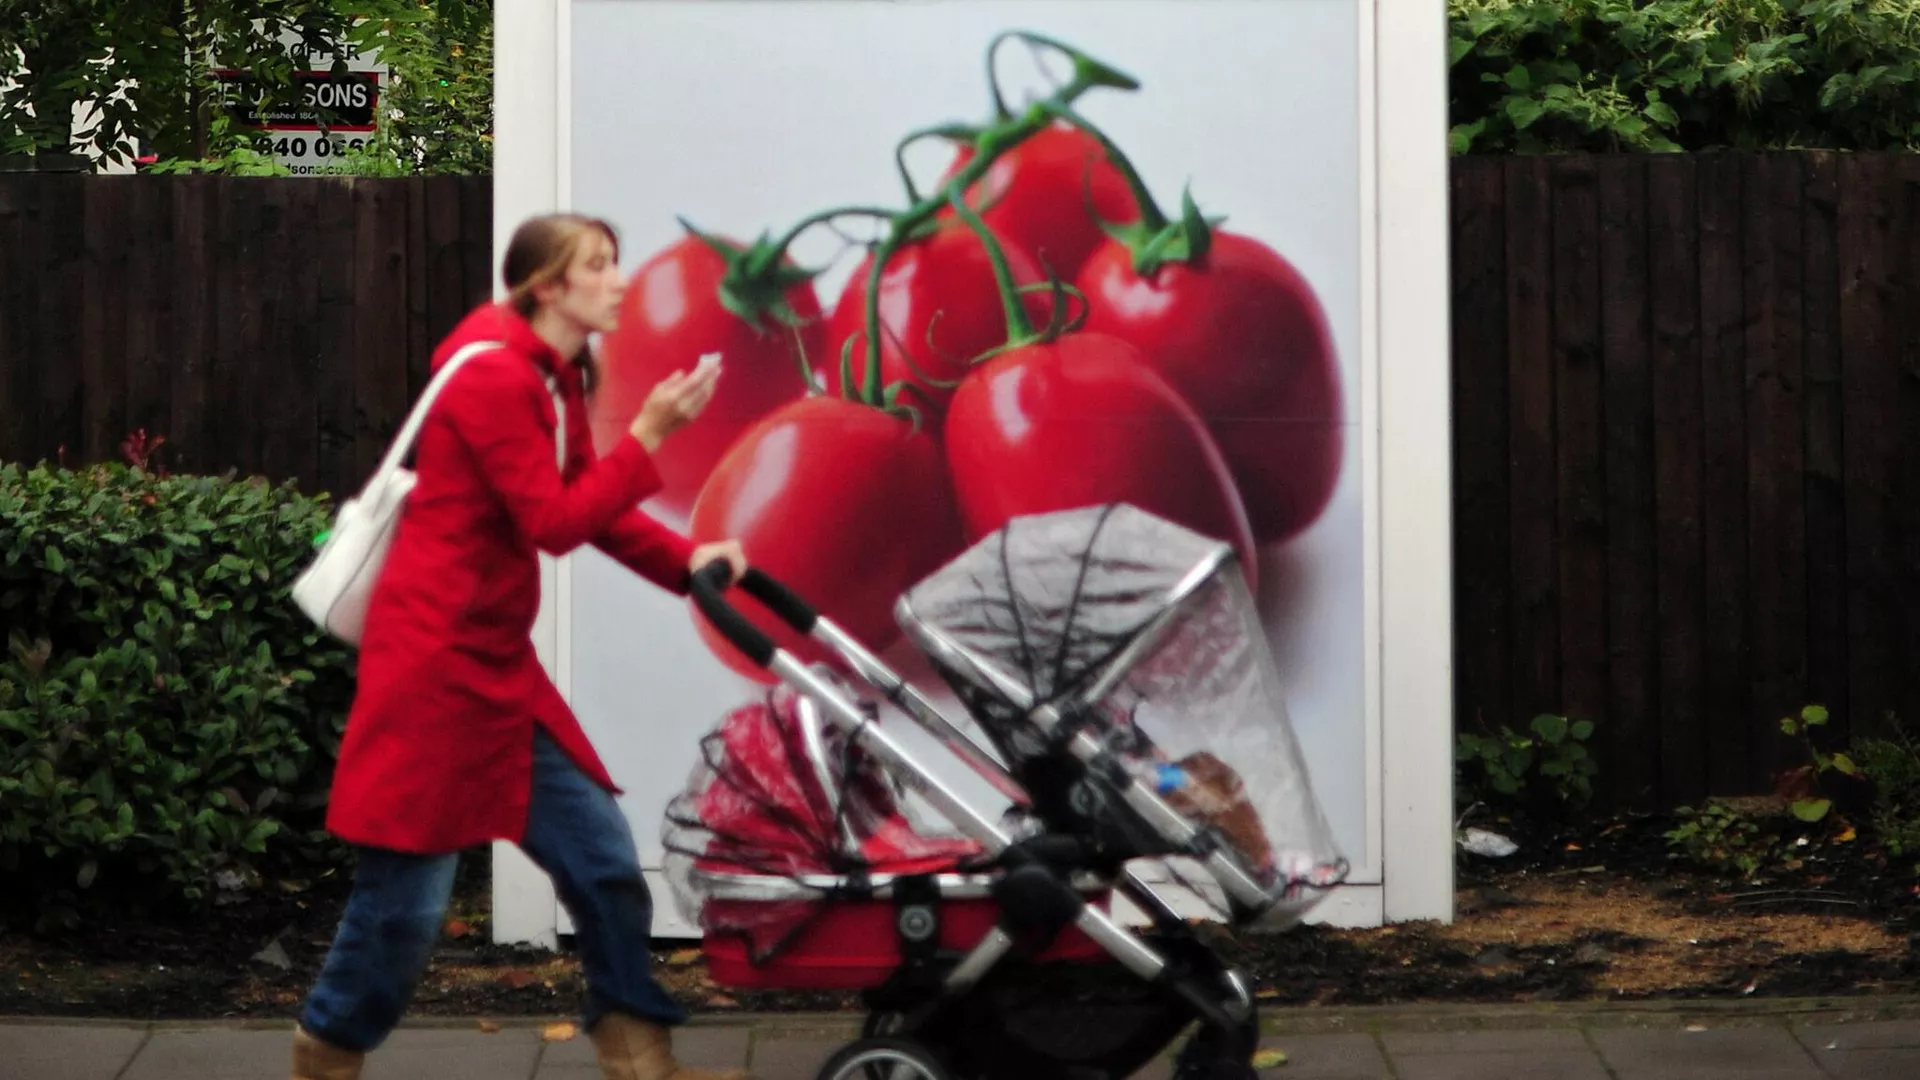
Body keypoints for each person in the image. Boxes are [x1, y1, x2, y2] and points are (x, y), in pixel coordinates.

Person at [291, 213, 754, 1080]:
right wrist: (649, 435)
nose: (621, 281)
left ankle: (638, 1056)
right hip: (432, 671)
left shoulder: (555, 376)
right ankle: (324, 1058)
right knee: (403, 913)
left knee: (604, 861)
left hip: (496, 668)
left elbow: (588, 500)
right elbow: (553, 523)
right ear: (548, 286)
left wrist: (686, 559)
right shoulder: (495, 378)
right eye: (600, 267)